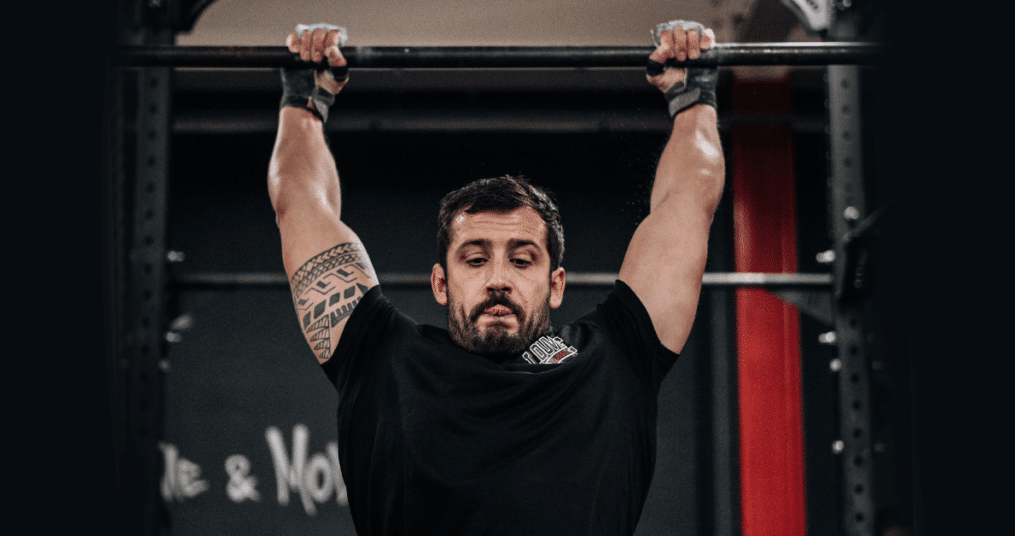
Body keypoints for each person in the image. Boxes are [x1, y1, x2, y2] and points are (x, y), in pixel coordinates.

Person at [267, 19, 725, 536]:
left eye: (523, 259)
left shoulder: (619, 354)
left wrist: (694, 98)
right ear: (441, 282)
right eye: (475, 258)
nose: (498, 279)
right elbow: (299, 204)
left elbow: (689, 200)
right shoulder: (380, 356)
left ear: (556, 283)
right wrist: (304, 102)